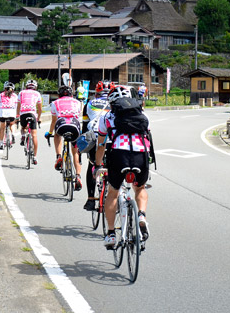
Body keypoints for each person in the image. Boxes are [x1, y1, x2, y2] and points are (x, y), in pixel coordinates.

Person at [93, 85, 151, 249]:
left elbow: (101, 145)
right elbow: (147, 138)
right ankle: (141, 216)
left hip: (119, 156)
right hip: (140, 155)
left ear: (111, 103)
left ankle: (111, 234)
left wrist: (97, 166)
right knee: (139, 188)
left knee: (112, 193)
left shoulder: (106, 117)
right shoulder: (142, 114)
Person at [81, 82, 113, 211]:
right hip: (111, 137)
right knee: (112, 166)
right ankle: (112, 196)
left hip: (95, 137)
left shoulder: (89, 104)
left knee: (92, 165)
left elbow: (84, 125)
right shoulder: (115, 103)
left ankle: (90, 199)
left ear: (96, 93)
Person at [45, 85, 83, 190]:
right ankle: (78, 176)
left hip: (61, 124)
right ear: (71, 94)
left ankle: (58, 156)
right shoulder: (77, 102)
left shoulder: (55, 103)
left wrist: (49, 132)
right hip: (74, 126)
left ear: (59, 94)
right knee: (75, 152)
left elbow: (53, 121)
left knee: (57, 135)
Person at [16, 79, 43, 165]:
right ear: (35, 87)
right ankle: (35, 157)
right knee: (34, 135)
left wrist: (17, 116)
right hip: (32, 114)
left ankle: (23, 135)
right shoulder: (37, 94)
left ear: (26, 86)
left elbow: (18, 106)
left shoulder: (21, 93)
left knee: (23, 127)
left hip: (23, 114)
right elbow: (40, 109)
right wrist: (38, 118)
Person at [0, 81, 19, 150]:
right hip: (12, 112)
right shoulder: (15, 96)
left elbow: (0, 105)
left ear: (4, 88)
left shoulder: (0, 95)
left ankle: (1, 143)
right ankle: (13, 134)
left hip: (2, 112)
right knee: (12, 124)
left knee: (2, 127)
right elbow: (16, 106)